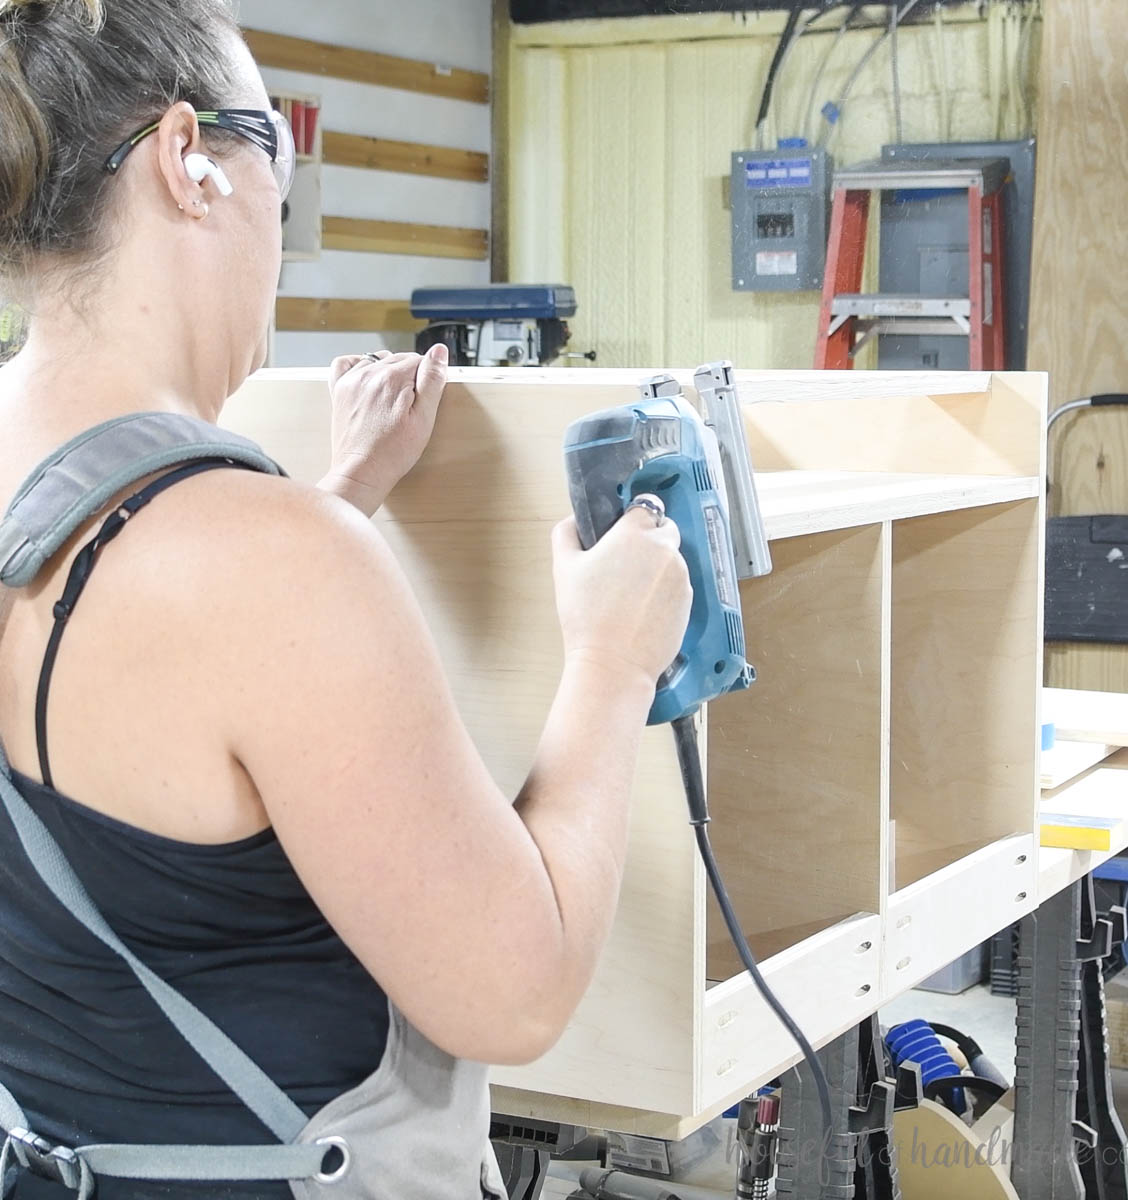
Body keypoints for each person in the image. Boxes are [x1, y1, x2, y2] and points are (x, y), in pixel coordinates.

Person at [0, 1, 692, 1196]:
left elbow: (141, 694)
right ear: (189, 160)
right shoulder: (267, 564)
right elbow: (514, 990)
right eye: (276, 148)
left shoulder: (183, 533)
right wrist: (613, 658)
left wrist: (343, 494)